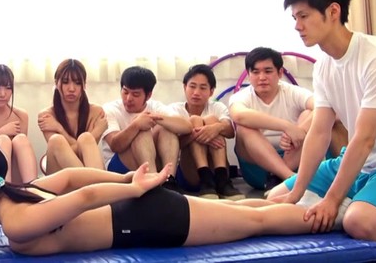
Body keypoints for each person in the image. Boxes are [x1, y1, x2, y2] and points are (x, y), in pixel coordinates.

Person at [0, 141, 321, 256]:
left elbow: (85, 195)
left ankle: (326, 216)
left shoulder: (17, 221)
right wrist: (124, 178)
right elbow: (72, 177)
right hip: (139, 213)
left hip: (146, 219)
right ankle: (295, 203)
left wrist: (131, 186)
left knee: (256, 223)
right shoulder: (22, 191)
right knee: (240, 210)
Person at [270, 0, 376, 241]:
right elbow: (319, 133)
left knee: (360, 223)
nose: (297, 26)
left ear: (333, 11)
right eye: (295, 18)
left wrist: (332, 199)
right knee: (277, 198)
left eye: (304, 16)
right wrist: (297, 192)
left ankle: (361, 206)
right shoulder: (323, 67)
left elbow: (365, 138)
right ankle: (361, 199)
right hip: (360, 160)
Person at [229, 47, 348, 191]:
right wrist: (287, 127)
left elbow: (331, 110)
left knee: (310, 114)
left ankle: (282, 177)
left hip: (296, 162)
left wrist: (300, 131)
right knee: (244, 128)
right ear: (248, 75)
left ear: (280, 73)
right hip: (259, 171)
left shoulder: (292, 92)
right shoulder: (241, 97)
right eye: (255, 72)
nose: (262, 77)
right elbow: (238, 115)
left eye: (268, 71)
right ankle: (288, 177)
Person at [100, 66, 192, 191]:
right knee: (141, 130)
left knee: (166, 129)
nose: (128, 98)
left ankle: (169, 181)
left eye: (135, 94)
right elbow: (114, 145)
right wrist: (136, 125)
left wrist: (154, 118)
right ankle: (154, 186)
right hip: (119, 166)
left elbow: (187, 127)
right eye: (125, 92)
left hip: (151, 163)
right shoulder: (110, 109)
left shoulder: (155, 106)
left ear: (148, 95)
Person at [170, 64, 244, 200]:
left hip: (216, 169)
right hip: (191, 172)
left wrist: (215, 129)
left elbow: (230, 132)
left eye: (203, 88)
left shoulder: (217, 107)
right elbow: (173, 145)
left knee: (212, 120)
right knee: (195, 120)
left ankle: (222, 181)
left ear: (211, 91)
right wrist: (195, 135)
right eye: (192, 86)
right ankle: (205, 179)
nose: (196, 92)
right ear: (185, 87)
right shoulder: (174, 110)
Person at [37, 59, 107, 174]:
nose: (71, 89)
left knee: (86, 138)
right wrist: (97, 131)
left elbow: (83, 151)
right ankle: (98, 183)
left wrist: (60, 129)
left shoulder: (96, 112)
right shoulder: (47, 116)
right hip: (59, 173)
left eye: (77, 83)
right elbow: (61, 152)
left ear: (84, 85)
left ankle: (93, 183)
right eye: (65, 82)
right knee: (56, 141)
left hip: (87, 168)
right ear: (56, 83)